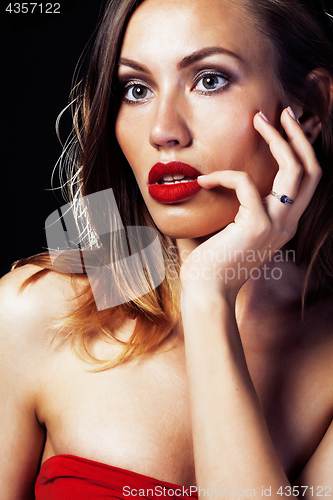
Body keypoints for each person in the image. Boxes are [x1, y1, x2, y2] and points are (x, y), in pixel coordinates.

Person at [1, 0, 333, 498]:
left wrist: (207, 295)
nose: (163, 130)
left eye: (210, 79)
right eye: (136, 89)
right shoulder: (34, 314)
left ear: (307, 107)